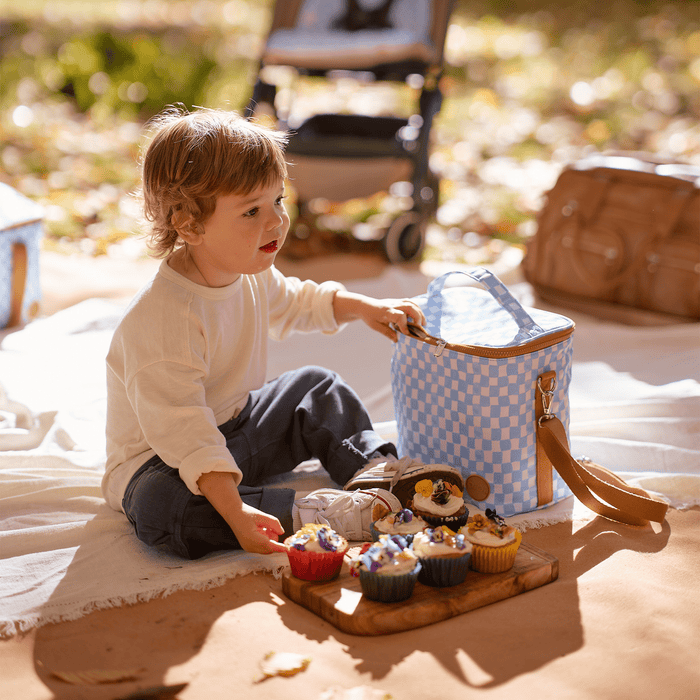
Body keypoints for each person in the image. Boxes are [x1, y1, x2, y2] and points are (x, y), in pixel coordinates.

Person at [101, 106, 426, 559]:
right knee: (161, 510)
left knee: (317, 386)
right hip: (162, 461)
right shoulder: (161, 323)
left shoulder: (246, 270)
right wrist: (235, 513)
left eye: (277, 200)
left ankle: (378, 474)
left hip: (236, 426)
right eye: (251, 211)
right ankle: (306, 514)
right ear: (189, 225)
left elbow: (296, 301)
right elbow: (187, 435)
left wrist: (365, 308)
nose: (275, 222)